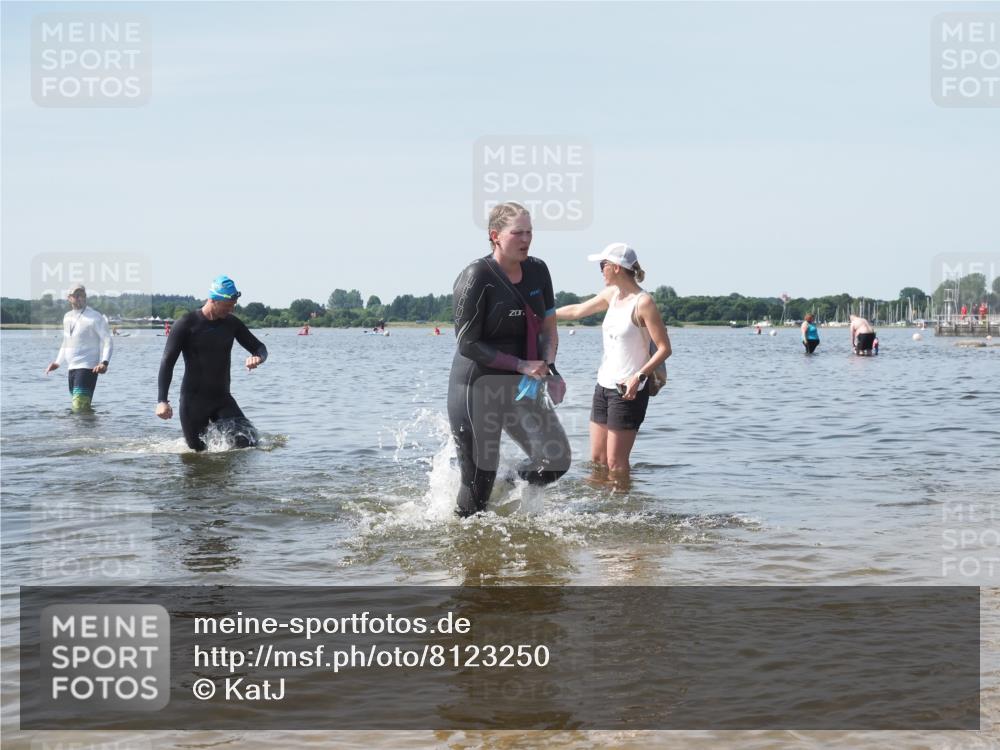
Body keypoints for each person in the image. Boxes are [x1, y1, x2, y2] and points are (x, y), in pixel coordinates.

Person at [448, 202, 570, 517]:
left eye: (529, 232)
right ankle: (466, 543)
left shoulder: (538, 271)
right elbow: (467, 344)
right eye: (518, 232)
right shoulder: (477, 276)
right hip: (477, 387)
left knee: (555, 460)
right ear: (495, 236)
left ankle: (507, 486)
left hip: (521, 387)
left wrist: (550, 370)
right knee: (478, 480)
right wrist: (521, 365)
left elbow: (548, 331)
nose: (526, 239)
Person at [556, 243, 671, 474]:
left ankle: (625, 510)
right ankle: (599, 509)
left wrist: (638, 377)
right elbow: (578, 310)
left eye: (603, 265)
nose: (600, 270)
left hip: (628, 391)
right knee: (597, 460)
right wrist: (542, 315)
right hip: (603, 387)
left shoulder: (643, 302)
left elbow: (664, 348)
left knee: (616, 464)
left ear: (617, 267)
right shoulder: (611, 294)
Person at [156, 275, 267, 451]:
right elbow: (167, 362)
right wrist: (162, 400)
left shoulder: (231, 324)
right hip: (194, 402)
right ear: (213, 300)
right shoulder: (186, 324)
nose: (231, 310)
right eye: (227, 306)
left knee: (249, 442)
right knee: (197, 453)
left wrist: (257, 358)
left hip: (222, 399)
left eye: (233, 306)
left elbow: (260, 347)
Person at [45, 284, 113, 412]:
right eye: (76, 295)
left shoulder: (94, 316)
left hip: (87, 368)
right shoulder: (67, 317)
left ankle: (80, 431)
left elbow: (108, 341)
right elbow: (66, 342)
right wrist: (58, 362)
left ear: (86, 297)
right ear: (69, 298)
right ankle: (85, 432)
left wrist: (104, 363)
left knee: (79, 408)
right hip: (72, 369)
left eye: (82, 295)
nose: (79, 298)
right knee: (80, 408)